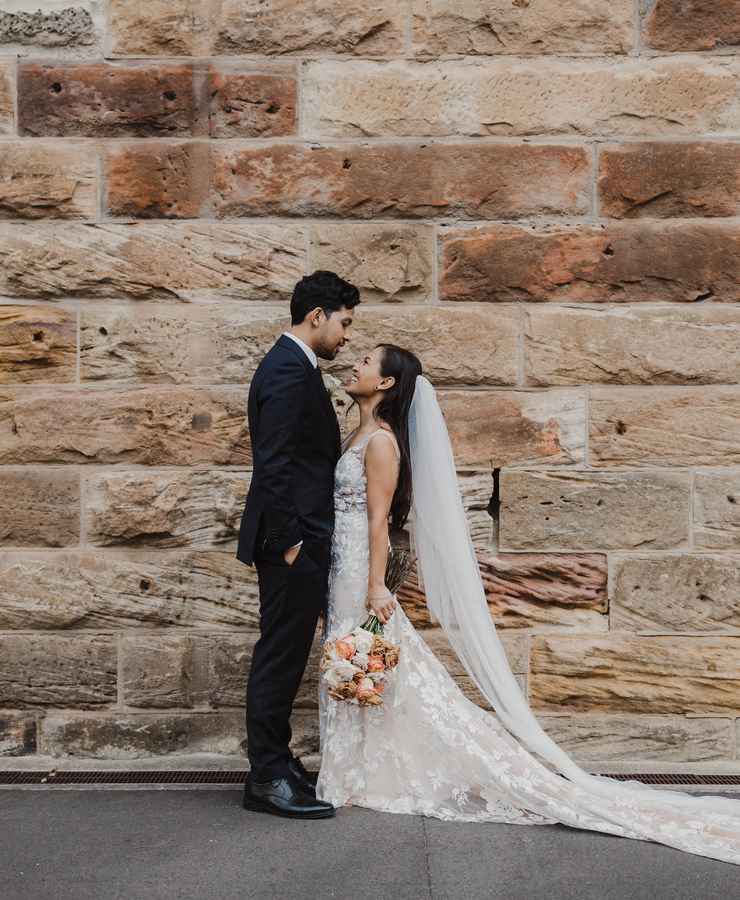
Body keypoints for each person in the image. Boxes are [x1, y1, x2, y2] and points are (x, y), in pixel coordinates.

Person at [315, 343, 740, 865]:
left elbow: (380, 520)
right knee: (365, 665)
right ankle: (357, 770)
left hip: (362, 569)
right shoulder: (359, 431)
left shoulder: (381, 442)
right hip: (343, 564)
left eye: (366, 361)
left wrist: (376, 585)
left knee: (370, 661)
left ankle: (364, 771)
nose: (355, 364)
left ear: (384, 383)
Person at [236, 270, 360, 819]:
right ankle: (266, 776)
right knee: (279, 656)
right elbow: (275, 464)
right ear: (317, 316)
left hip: (299, 540)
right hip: (291, 543)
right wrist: (289, 545)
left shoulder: (295, 366)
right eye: (345, 322)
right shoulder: (288, 370)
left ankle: (278, 762)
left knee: (284, 655)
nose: (347, 335)